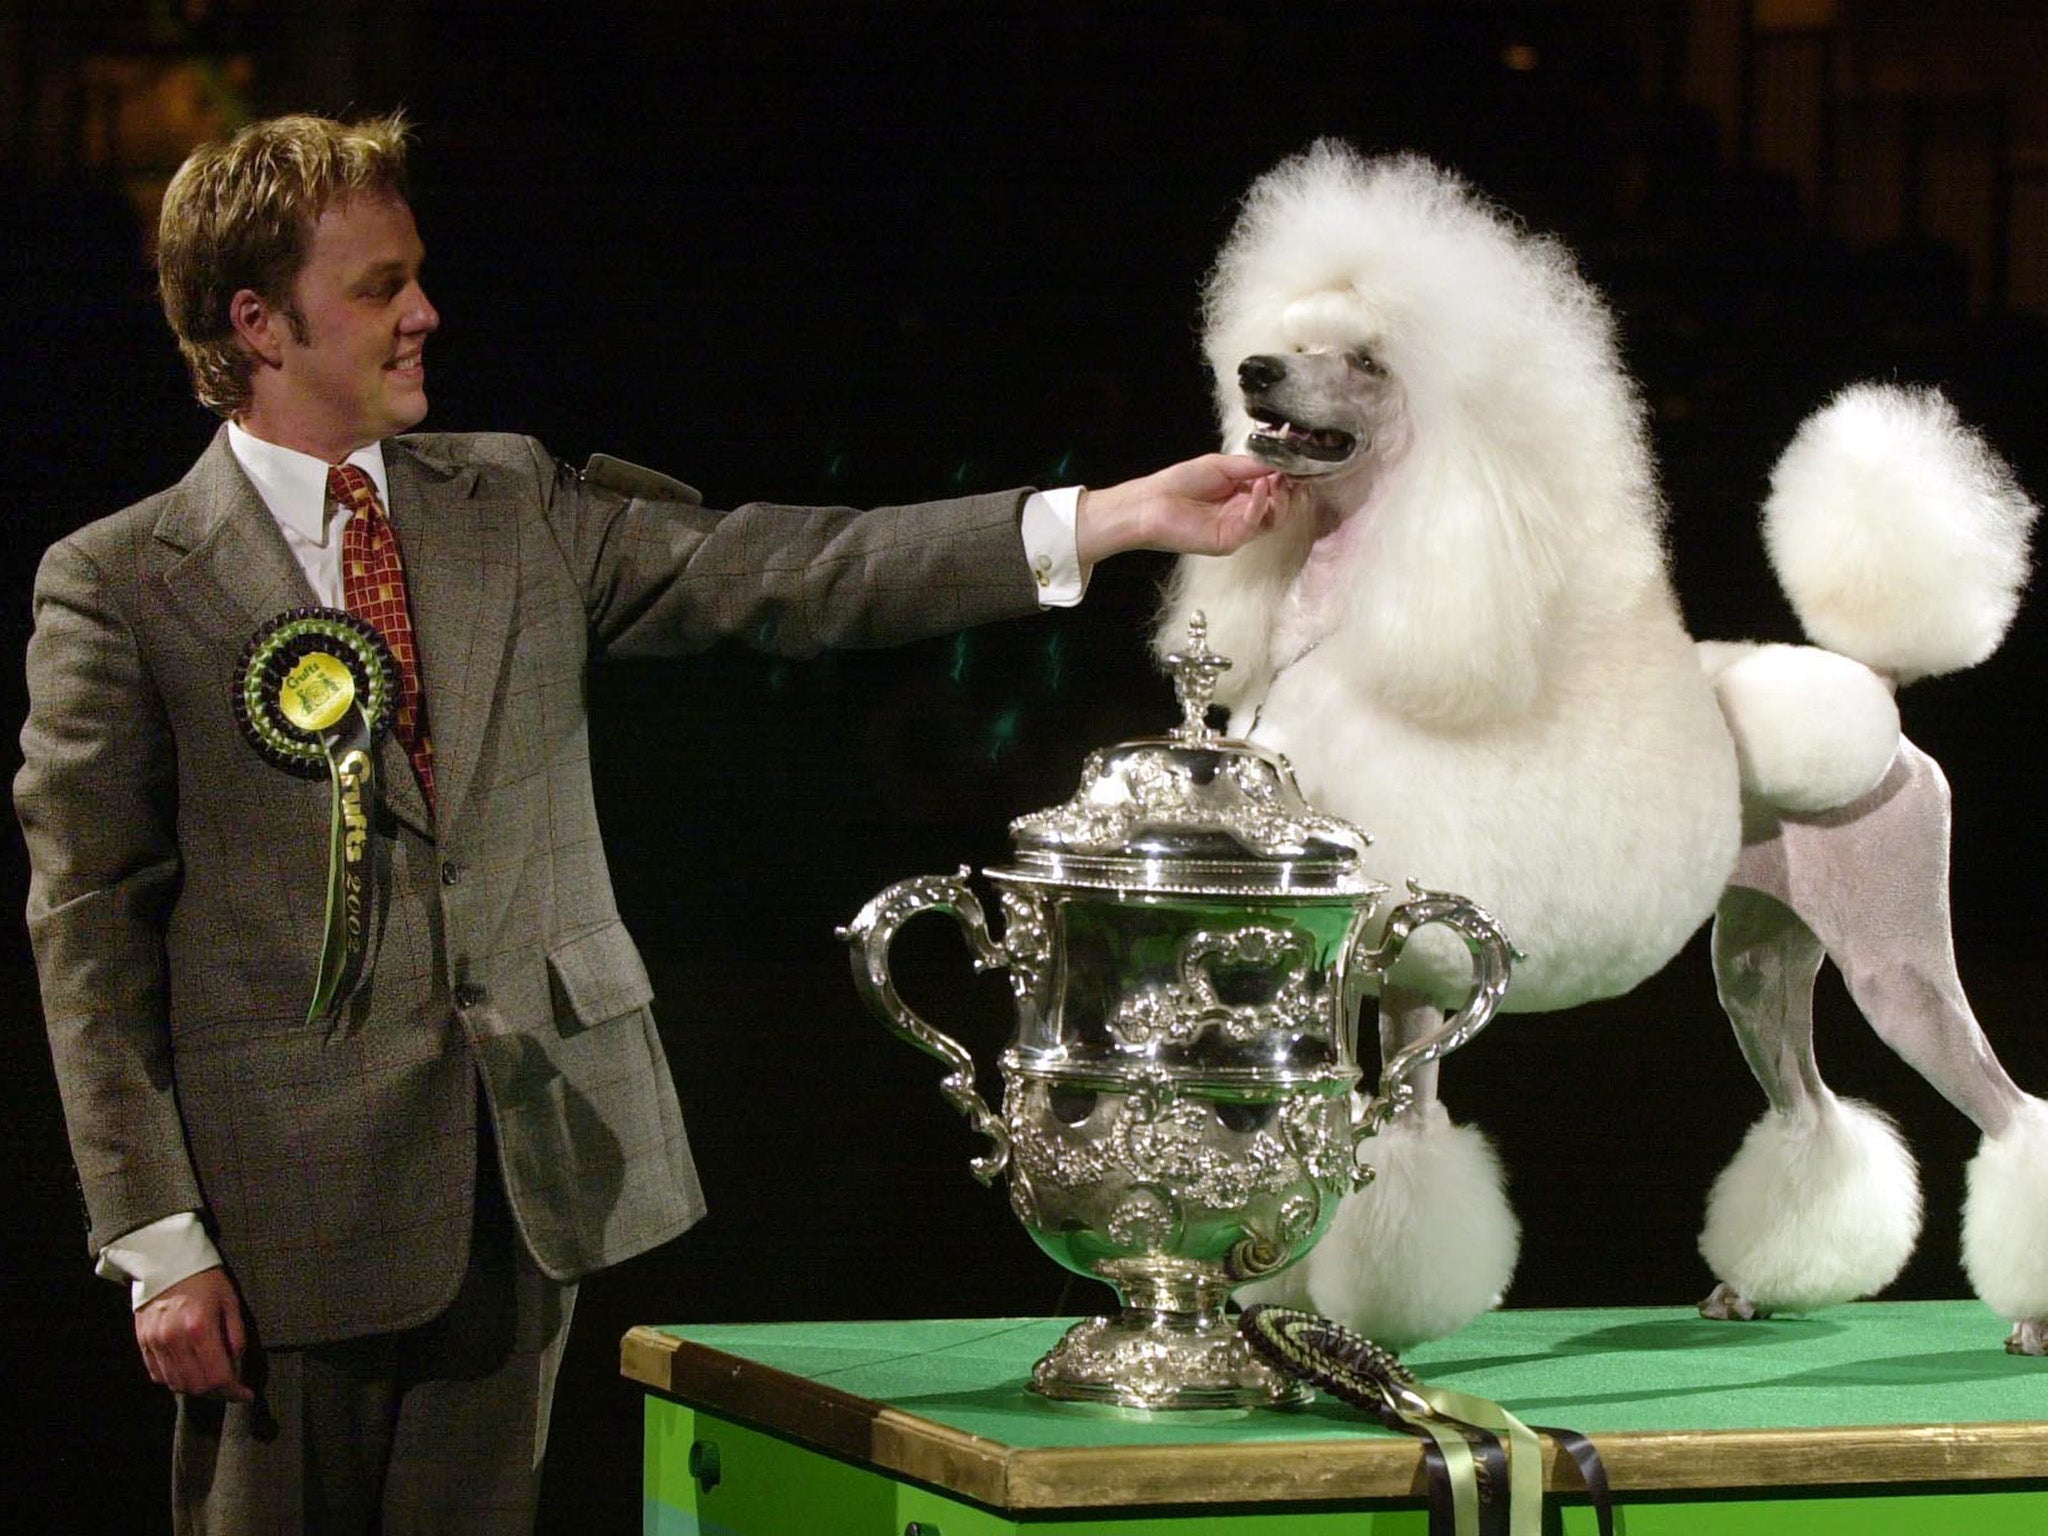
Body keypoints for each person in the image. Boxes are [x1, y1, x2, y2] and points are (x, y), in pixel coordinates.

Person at [13, 111, 1292, 1532]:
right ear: (257, 321)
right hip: (276, 1233)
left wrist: (1104, 518)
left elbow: (799, 569)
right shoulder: (122, 583)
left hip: (524, 1184)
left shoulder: (512, 502)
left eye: (416, 274)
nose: (425, 312)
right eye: (379, 287)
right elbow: (87, 935)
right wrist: (156, 1236)